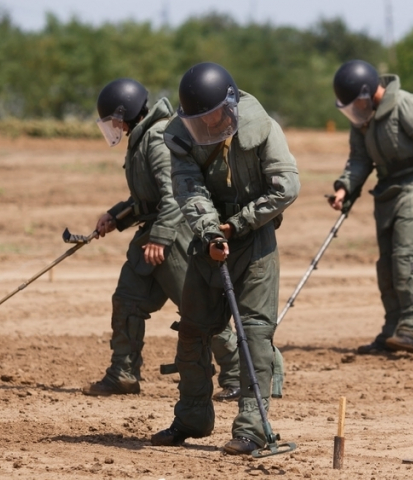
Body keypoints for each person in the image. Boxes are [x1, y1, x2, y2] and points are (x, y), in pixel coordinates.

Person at [151, 62, 300, 455]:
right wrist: (212, 230)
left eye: (212, 116)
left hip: (254, 243)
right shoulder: (183, 138)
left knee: (254, 334)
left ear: (230, 103)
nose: (207, 125)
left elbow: (287, 186)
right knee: (193, 330)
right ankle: (192, 418)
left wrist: (238, 224)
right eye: (198, 120)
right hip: (209, 240)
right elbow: (188, 187)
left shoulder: (264, 128)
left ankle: (252, 429)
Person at [83, 78, 242, 401]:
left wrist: (160, 238)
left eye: (113, 119)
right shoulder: (142, 137)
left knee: (200, 309)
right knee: (128, 300)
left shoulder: (156, 138)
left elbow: (173, 196)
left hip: (173, 239)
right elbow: (147, 197)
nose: (112, 126)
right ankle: (123, 373)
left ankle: (238, 376)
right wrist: (116, 216)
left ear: (124, 113)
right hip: (153, 239)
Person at [327, 60, 413, 355]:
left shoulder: (405, 106)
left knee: (405, 259)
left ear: (367, 93)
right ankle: (391, 330)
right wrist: (344, 187)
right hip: (385, 191)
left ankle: (412, 329)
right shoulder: (363, 118)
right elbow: (359, 159)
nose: (354, 111)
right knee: (386, 266)